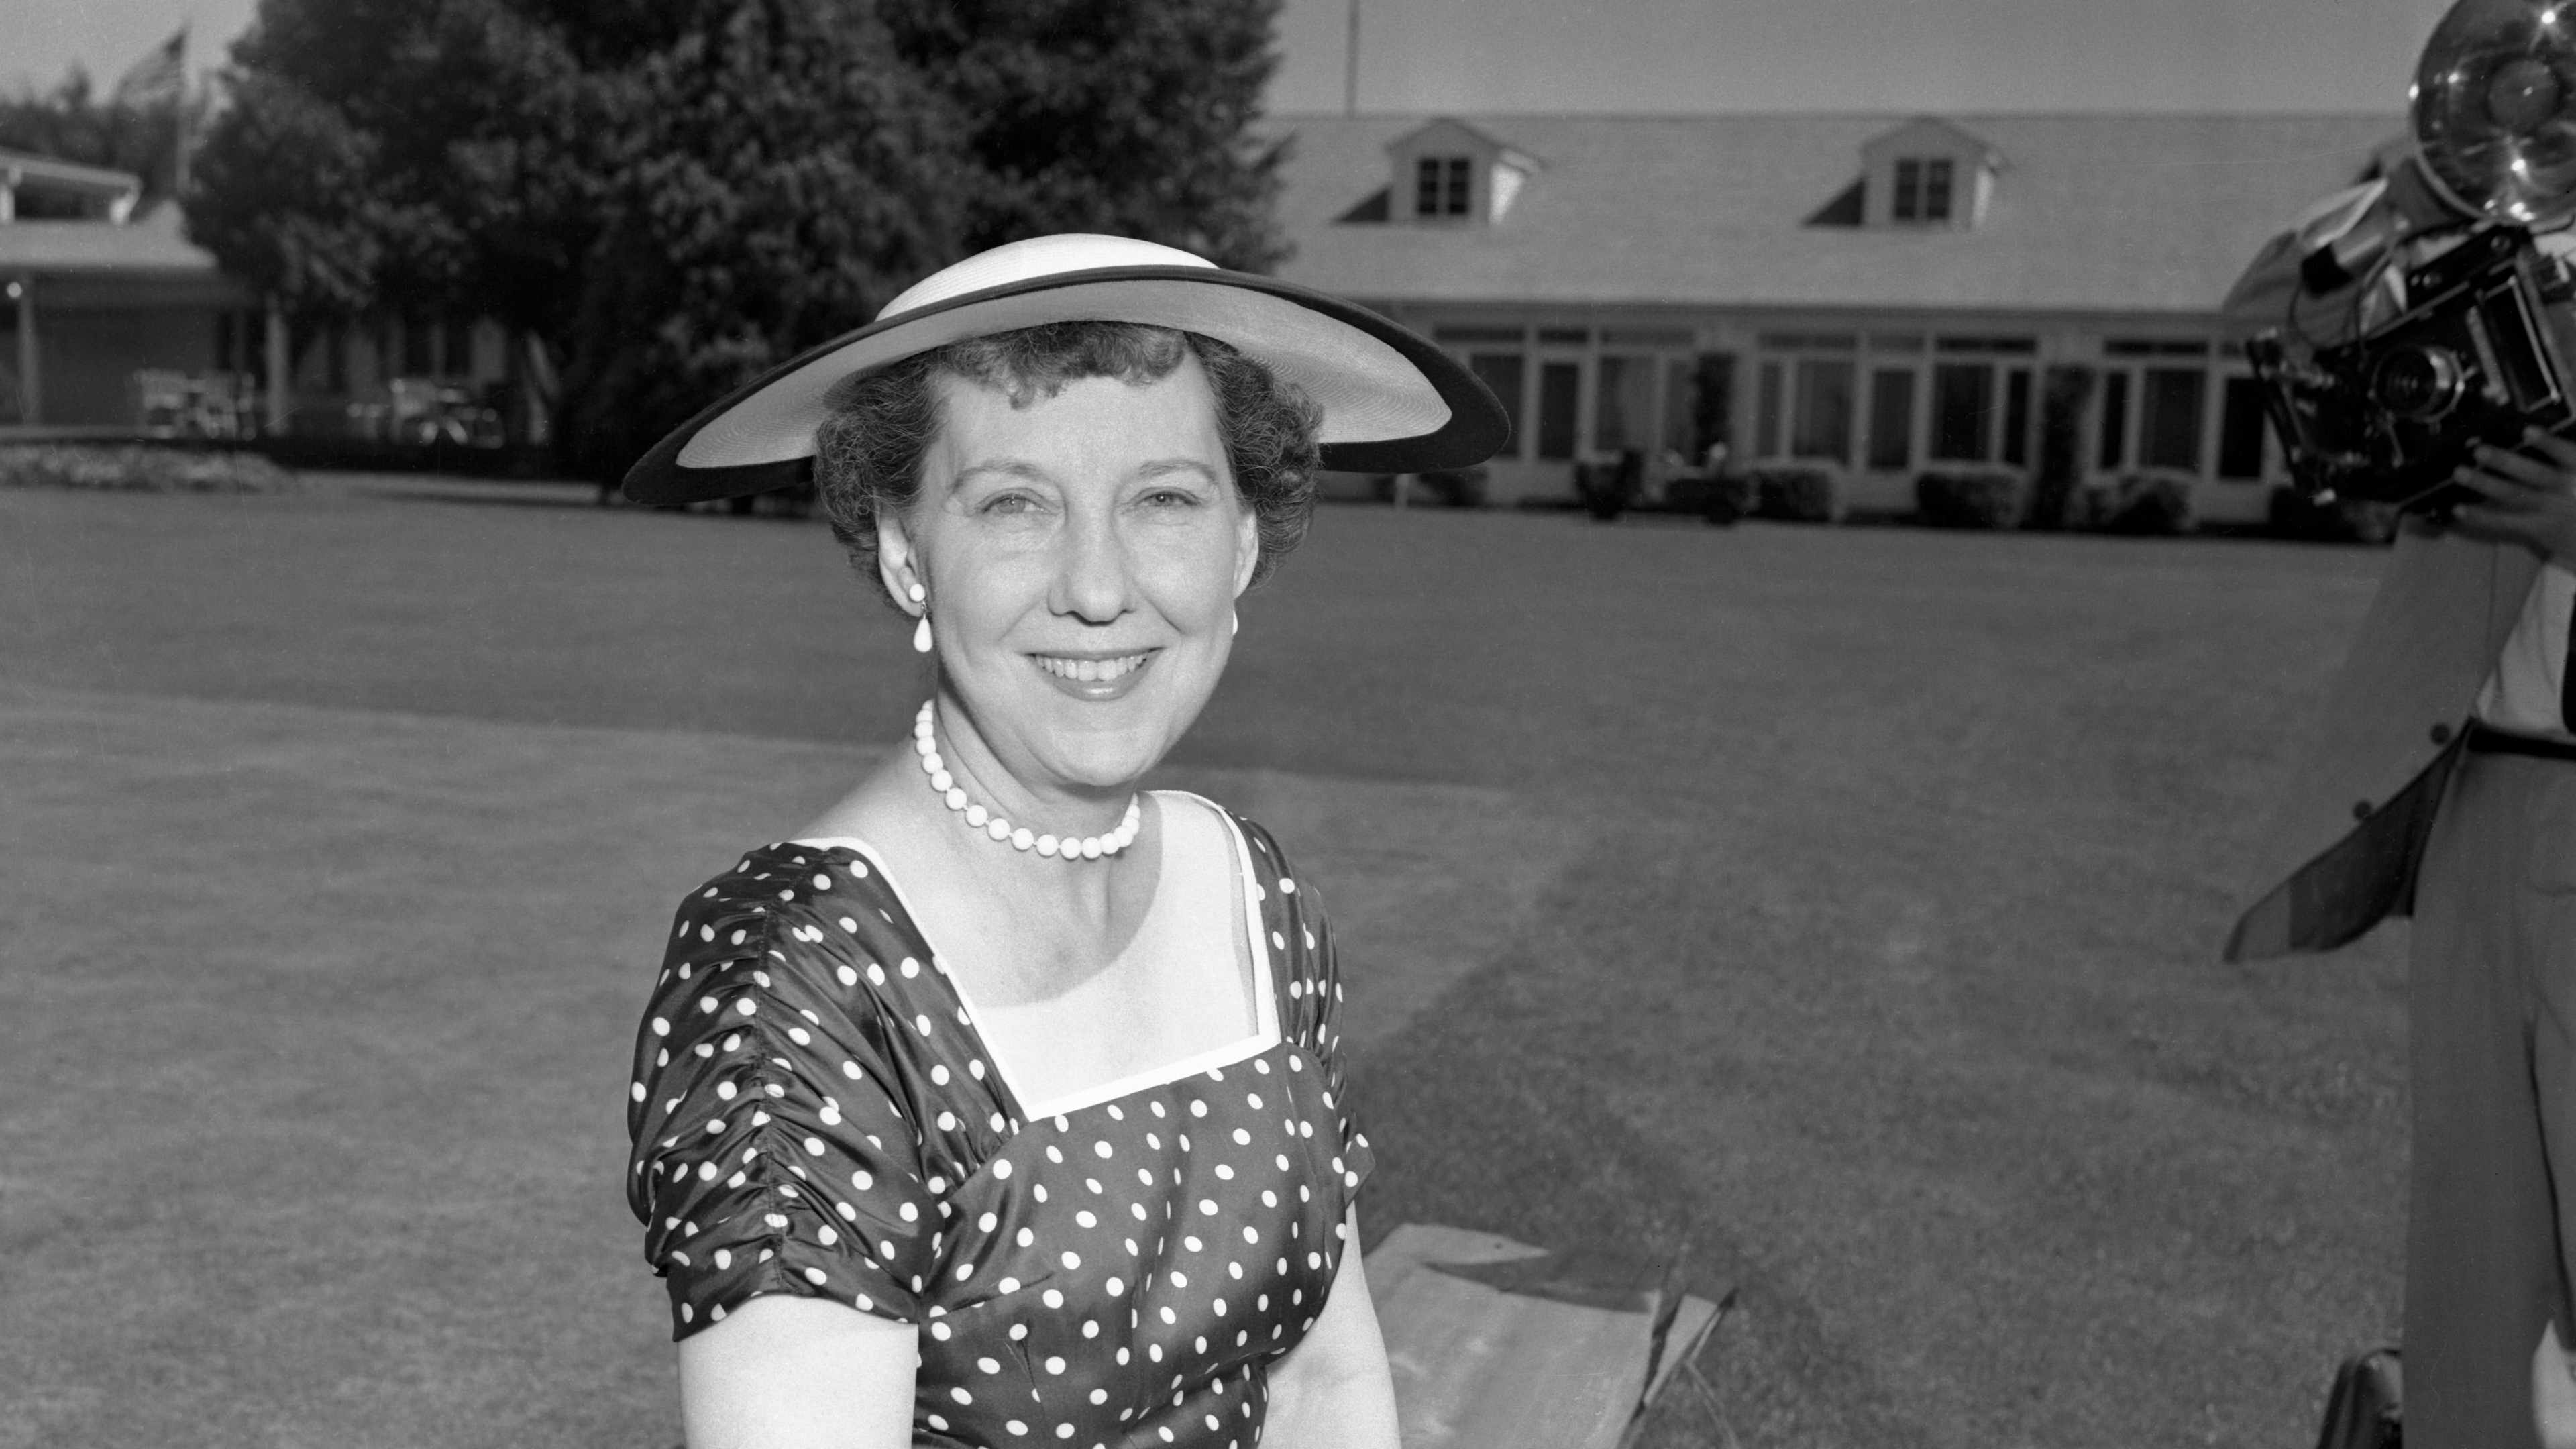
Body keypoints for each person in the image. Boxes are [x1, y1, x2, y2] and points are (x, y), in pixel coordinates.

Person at [618, 233, 1507, 1449]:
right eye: (1016, 505)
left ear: (1244, 542)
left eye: (1164, 499)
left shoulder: (1248, 891)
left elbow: (1326, 1385)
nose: (1097, 587)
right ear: (905, 551)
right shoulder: (802, 979)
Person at [2224, 150, 2576, 1449]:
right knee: (2477, 1262)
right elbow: (2268, 316)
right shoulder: (2510, 246)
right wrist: (2407, 194)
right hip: (2484, 797)